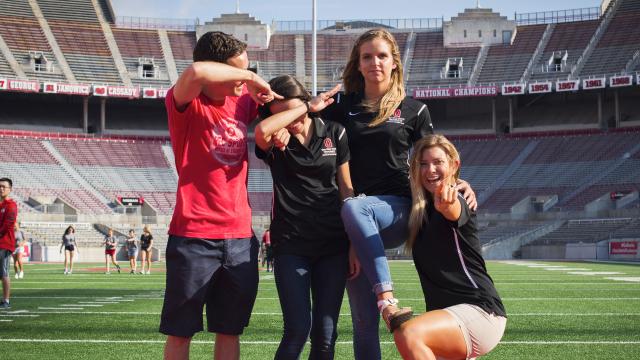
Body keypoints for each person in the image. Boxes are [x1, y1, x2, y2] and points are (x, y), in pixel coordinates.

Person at [319, 29, 477, 359]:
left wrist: (460, 181)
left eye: (381, 56)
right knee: (363, 323)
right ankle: (382, 302)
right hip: (353, 221)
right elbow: (303, 138)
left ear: (394, 63)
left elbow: (436, 156)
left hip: (399, 209)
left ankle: (387, 298)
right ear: (357, 64)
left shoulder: (414, 110)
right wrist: (311, 106)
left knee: (356, 210)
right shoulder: (340, 106)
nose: (374, 62)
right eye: (367, 56)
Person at [160, 30, 280, 360]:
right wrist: (250, 75)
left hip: (240, 236)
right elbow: (197, 72)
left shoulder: (241, 101)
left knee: (230, 330)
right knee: (180, 333)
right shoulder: (185, 101)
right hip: (193, 236)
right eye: (237, 73)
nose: (244, 83)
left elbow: (279, 107)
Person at [254, 75, 359, 359]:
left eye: (293, 110)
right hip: (291, 245)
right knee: (297, 330)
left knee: (326, 335)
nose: (290, 120)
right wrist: (304, 109)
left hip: (333, 245)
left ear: (305, 102)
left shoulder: (335, 132)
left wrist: (353, 242)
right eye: (282, 115)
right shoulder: (275, 141)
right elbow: (261, 129)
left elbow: (347, 191)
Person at [393, 134, 507, 360]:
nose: (430, 170)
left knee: (409, 334)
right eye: (423, 164)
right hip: (447, 317)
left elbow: (453, 210)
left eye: (438, 162)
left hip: (479, 311)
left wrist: (449, 202)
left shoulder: (459, 198)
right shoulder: (420, 208)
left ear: (454, 165)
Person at [0, 178, 17, 309]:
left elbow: (8, 224)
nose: (1, 189)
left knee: (4, 272)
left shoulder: (11, 205)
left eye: (3, 187)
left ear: (10, 189)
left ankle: (6, 301)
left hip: (4, 244)